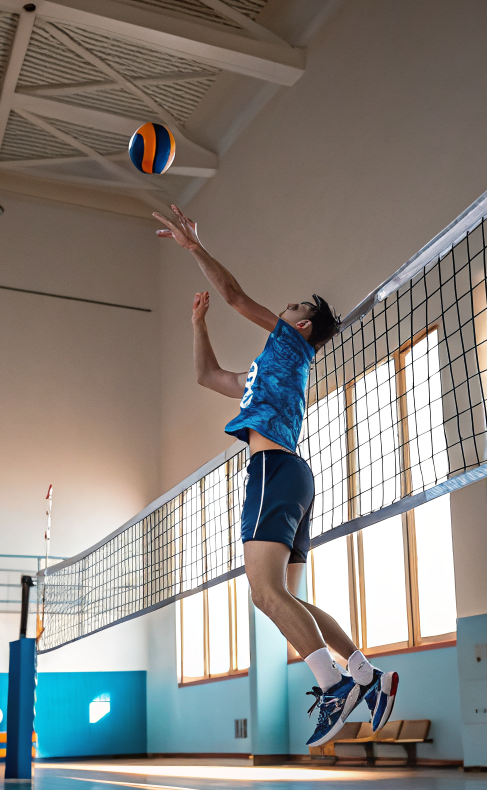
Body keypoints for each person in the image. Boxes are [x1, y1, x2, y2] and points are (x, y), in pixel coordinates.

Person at [154, 204, 399, 745]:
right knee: (291, 599)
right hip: (292, 475)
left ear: (301, 325)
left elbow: (236, 296)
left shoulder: (291, 346)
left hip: (274, 468)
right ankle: (366, 675)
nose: (280, 310)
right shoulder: (270, 372)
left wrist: (194, 247)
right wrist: (198, 325)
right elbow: (207, 375)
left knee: (264, 592)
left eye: (289, 307)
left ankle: (332, 685)